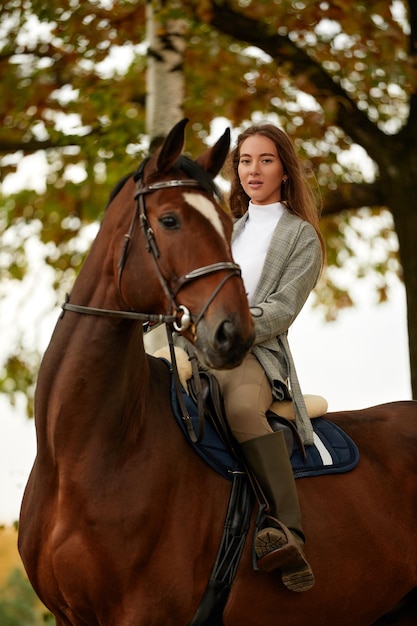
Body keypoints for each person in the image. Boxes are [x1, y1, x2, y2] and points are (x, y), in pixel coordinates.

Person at [212, 123, 326, 593]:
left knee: (241, 409)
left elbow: (281, 309)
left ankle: (288, 530)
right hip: (197, 346)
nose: (253, 170)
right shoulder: (223, 228)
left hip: (257, 352)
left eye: (265, 160)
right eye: (244, 161)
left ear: (284, 171)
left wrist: (232, 324)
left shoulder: (302, 238)